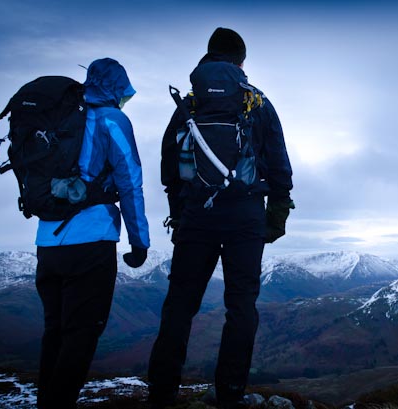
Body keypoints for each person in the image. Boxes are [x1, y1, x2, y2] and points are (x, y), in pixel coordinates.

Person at [148, 28, 294, 409]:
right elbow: (279, 163)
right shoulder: (257, 103)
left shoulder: (189, 105)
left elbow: (169, 167)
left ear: (207, 58)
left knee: (179, 306)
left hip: (198, 215)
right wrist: (276, 216)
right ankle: (230, 395)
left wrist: (180, 214)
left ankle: (162, 395)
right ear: (241, 62)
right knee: (241, 306)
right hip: (246, 216)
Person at [34, 58, 150, 409]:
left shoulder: (61, 119)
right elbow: (130, 181)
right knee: (81, 335)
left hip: (47, 241)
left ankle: (46, 403)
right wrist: (139, 240)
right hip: (91, 241)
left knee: (55, 331)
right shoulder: (111, 120)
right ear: (117, 88)